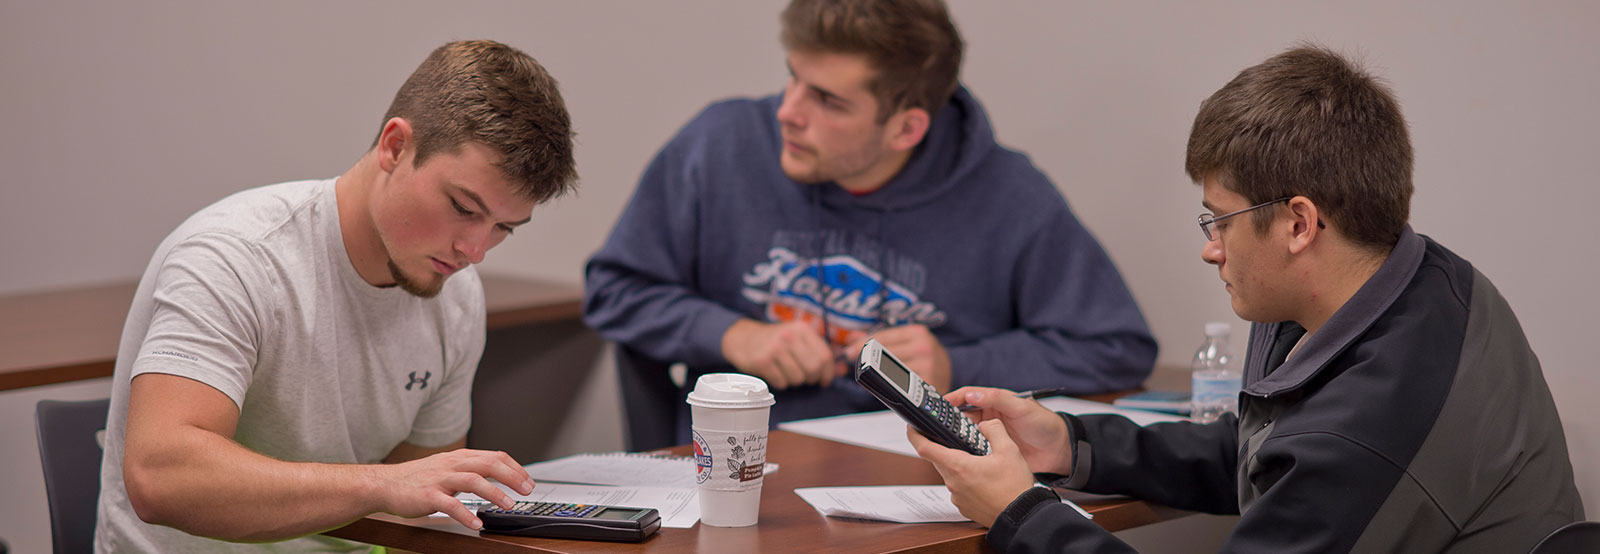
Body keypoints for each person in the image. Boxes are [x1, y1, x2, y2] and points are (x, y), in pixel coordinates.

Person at [910, 44, 1584, 553]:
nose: (1211, 248)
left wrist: (1017, 513)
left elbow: (1321, 455)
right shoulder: (1426, 280)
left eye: (1219, 220)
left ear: (1298, 223)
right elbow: (1271, 455)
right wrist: (1069, 441)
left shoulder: (1370, 423)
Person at [583, 0, 1156, 448]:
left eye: (828, 100)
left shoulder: (1009, 195)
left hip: (920, 477)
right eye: (793, 78)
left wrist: (957, 365)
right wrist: (735, 335)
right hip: (746, 467)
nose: (788, 111)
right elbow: (614, 290)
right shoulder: (719, 147)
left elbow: (1115, 346)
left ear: (906, 129)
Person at [95, 40, 578, 552]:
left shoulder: (456, 297)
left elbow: (422, 517)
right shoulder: (235, 257)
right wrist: (382, 485)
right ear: (395, 146)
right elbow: (162, 477)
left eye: (504, 227)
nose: (475, 250)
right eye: (462, 207)